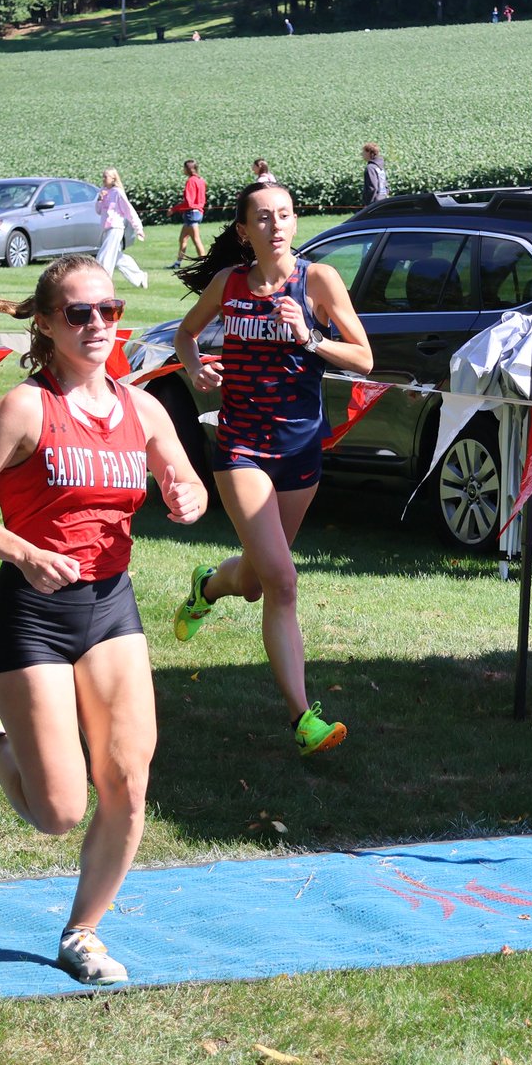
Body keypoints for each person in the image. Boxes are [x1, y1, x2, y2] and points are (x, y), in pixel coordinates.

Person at [0, 254, 207, 985]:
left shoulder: (143, 408)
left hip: (111, 605)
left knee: (128, 781)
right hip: (32, 613)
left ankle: (83, 932)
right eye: (79, 313)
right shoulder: (24, 408)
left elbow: (185, 482)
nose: (97, 325)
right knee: (57, 810)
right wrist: (23, 552)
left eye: (108, 311)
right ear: (46, 324)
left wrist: (187, 497)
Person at [170, 181, 372, 758]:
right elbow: (186, 334)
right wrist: (196, 368)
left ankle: (208, 584)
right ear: (244, 231)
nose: (276, 225)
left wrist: (310, 337)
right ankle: (302, 720)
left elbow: (364, 356)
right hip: (241, 448)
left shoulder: (319, 281)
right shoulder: (228, 284)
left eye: (285, 214)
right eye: (263, 217)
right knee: (283, 582)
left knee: (259, 581)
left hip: (301, 448)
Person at [95, 168, 147, 290]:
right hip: (106, 229)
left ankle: (103, 282)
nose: (103, 179)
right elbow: (98, 211)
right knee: (117, 257)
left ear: (113, 179)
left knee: (105, 255)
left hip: (115, 228)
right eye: (103, 176)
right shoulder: (103, 191)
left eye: (105, 177)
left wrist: (138, 228)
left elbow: (129, 211)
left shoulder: (118, 193)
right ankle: (139, 277)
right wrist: (100, 199)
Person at [168, 159, 206, 269]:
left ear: (187, 169)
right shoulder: (200, 180)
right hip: (197, 212)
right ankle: (177, 263)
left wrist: (174, 209)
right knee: (183, 239)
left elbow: (189, 202)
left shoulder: (191, 181)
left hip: (191, 214)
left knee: (196, 240)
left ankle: (205, 264)